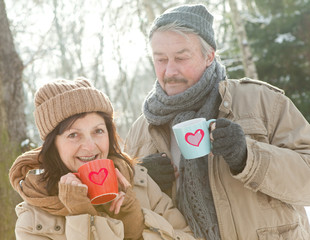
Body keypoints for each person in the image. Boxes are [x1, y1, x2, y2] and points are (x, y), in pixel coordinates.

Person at [124, 4, 310, 240]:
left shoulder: (260, 101)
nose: (169, 70)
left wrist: (247, 157)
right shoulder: (142, 129)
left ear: (209, 56)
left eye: (181, 57)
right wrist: (142, 183)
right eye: (160, 59)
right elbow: (124, 215)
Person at [9, 78, 197, 240]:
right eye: (73, 135)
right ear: (53, 146)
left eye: (98, 131)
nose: (90, 146)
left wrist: (134, 220)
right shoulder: (32, 221)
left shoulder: (140, 183)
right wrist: (82, 215)